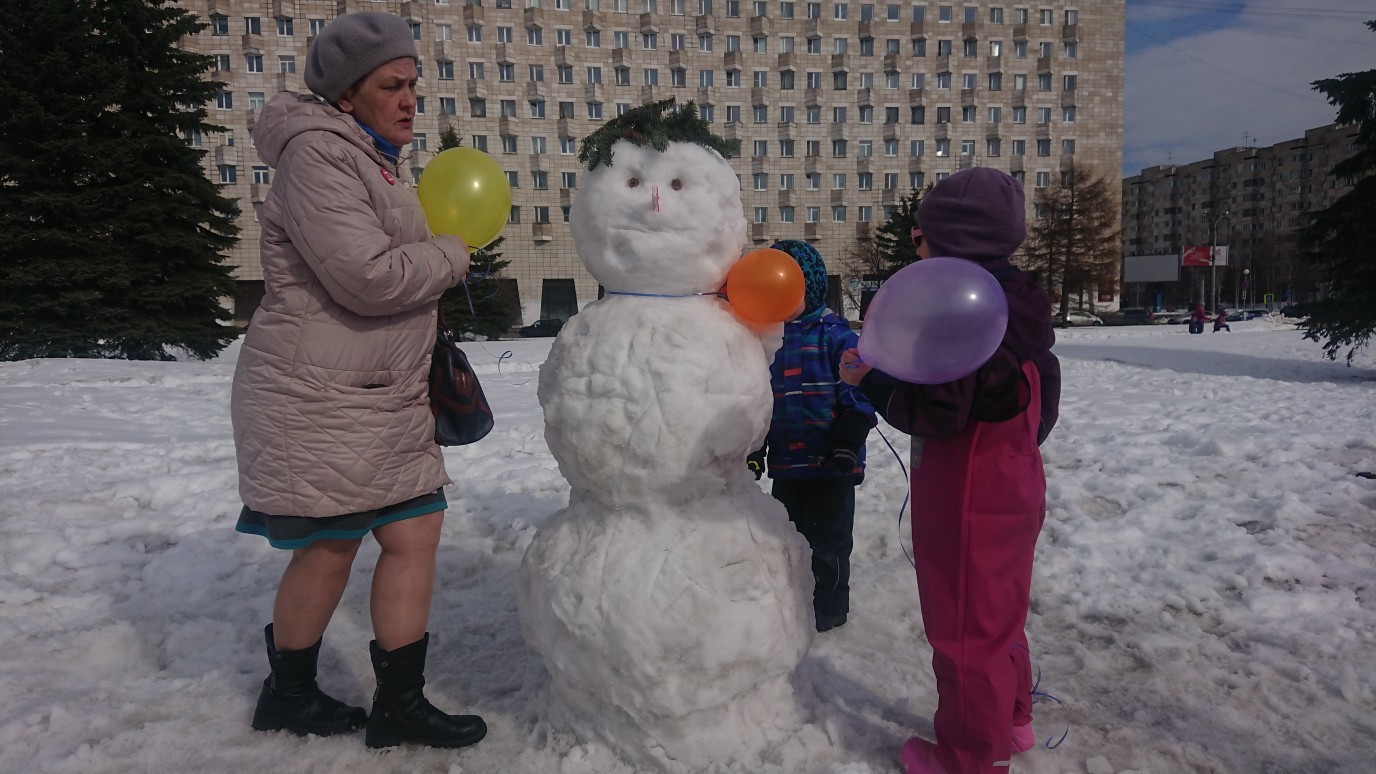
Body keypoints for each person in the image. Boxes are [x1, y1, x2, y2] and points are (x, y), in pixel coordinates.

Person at [230, 12, 485, 750]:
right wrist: (449, 255)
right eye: (391, 85)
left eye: (413, 84)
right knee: (332, 544)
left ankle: (400, 704)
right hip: (318, 394)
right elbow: (367, 278)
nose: (409, 99)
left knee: (414, 528)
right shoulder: (318, 157)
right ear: (347, 94)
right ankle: (289, 693)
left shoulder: (369, 158)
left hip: (377, 392)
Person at [839, 167, 1061, 774]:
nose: (915, 242)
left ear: (950, 244)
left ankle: (970, 757)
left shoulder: (964, 315)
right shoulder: (1021, 310)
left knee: (964, 630)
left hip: (970, 494)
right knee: (998, 615)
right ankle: (1011, 720)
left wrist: (871, 380)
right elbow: (1043, 399)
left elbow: (937, 413)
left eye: (923, 233)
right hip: (1016, 480)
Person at [747, 240, 876, 633]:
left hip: (831, 464)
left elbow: (860, 395)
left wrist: (845, 444)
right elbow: (760, 402)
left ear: (811, 286)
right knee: (790, 538)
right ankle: (795, 602)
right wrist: (755, 449)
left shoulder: (837, 336)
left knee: (829, 543)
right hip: (787, 463)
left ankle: (830, 611)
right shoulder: (770, 341)